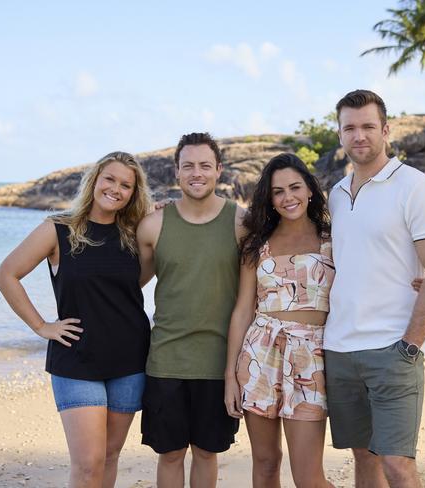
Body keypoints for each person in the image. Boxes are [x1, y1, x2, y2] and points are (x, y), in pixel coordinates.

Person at [0, 152, 152, 488]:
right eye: (110, 179)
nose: (116, 189)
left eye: (126, 185)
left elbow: (134, 285)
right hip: (76, 359)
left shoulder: (134, 235)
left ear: (133, 194)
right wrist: (41, 326)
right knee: (87, 463)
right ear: (95, 179)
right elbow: (7, 274)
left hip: (130, 360)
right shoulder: (58, 229)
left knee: (109, 457)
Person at [324, 89, 425, 488]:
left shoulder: (417, 187)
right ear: (341, 134)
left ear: (386, 129)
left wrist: (411, 345)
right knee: (363, 458)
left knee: (398, 463)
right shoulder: (337, 193)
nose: (359, 135)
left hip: (393, 349)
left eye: (367, 126)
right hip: (340, 348)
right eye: (350, 128)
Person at [136, 132, 246, 488]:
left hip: (218, 364)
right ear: (176, 172)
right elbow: (128, 284)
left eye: (204, 165)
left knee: (205, 452)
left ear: (219, 170)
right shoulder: (153, 225)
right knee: (169, 454)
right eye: (188, 166)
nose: (196, 173)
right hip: (166, 360)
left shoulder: (241, 223)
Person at [224, 153, 336, 488]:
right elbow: (243, 308)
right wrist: (230, 375)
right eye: (278, 191)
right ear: (269, 199)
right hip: (260, 355)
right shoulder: (257, 244)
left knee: (309, 478)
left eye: (295, 187)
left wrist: (414, 278)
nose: (288, 197)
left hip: (311, 358)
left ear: (310, 190)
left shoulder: (333, 239)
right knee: (266, 463)